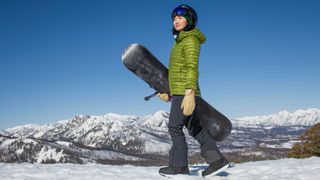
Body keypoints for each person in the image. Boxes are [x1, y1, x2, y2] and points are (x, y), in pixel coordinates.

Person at [156, 4, 230, 177]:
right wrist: (169, 91)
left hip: (186, 92)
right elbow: (178, 72)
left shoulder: (190, 40)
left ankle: (179, 166)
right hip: (180, 91)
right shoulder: (180, 41)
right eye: (174, 18)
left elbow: (191, 67)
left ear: (189, 20)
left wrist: (189, 93)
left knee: (174, 127)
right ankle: (217, 161)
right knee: (195, 128)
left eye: (180, 17)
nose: (176, 21)